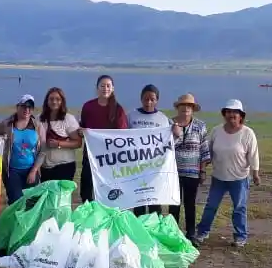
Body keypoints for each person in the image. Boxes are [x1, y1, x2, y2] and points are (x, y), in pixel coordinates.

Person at [193, 99, 261, 248]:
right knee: (211, 206)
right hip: (219, 177)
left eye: (235, 112)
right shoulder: (216, 131)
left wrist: (255, 173)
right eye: (228, 112)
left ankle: (240, 236)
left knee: (239, 208)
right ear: (224, 114)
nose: (231, 115)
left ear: (241, 115)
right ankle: (202, 232)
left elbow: (253, 154)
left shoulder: (248, 133)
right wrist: (202, 169)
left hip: (239, 178)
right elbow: (208, 152)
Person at [127, 84, 183, 216]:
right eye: (146, 99)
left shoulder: (162, 119)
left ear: (157, 100)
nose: (148, 102)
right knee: (138, 201)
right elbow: (122, 137)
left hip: (155, 168)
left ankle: (155, 226)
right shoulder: (131, 116)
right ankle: (138, 227)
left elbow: (169, 142)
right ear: (141, 99)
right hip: (136, 168)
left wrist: (176, 133)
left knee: (155, 201)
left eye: (152, 99)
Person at [78, 74, 129, 202]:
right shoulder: (88, 106)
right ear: (97, 88)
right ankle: (88, 212)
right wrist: (82, 132)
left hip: (110, 159)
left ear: (112, 88)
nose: (105, 88)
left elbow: (122, 135)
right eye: (102, 86)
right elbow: (83, 127)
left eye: (108, 86)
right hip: (90, 157)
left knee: (108, 192)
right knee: (87, 190)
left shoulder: (118, 110)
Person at [169, 93, 210, 237]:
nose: (186, 108)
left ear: (193, 109)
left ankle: (191, 234)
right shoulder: (169, 124)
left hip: (192, 173)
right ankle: (172, 233)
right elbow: (163, 147)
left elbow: (204, 150)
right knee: (174, 204)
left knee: (190, 204)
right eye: (183, 105)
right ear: (178, 108)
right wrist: (174, 134)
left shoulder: (200, 126)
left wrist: (202, 171)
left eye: (189, 106)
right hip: (172, 173)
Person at [0, 94, 44, 204]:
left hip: (31, 169)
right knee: (16, 202)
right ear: (18, 107)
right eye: (24, 106)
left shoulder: (37, 126)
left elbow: (43, 151)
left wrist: (34, 171)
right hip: (12, 171)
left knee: (32, 202)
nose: (27, 110)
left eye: (30, 107)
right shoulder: (6, 125)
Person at [37, 87, 82, 183]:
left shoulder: (68, 119)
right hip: (44, 167)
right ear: (47, 101)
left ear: (62, 101)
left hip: (64, 166)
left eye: (58, 99)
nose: (54, 102)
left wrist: (59, 144)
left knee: (61, 193)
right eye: (51, 99)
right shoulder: (39, 119)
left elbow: (78, 143)